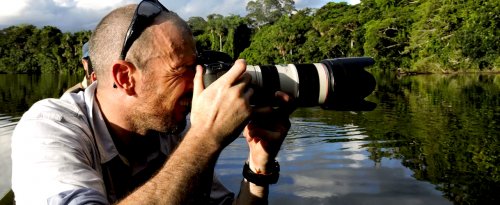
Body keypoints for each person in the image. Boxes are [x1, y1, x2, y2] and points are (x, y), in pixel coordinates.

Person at [11, 0, 294, 204]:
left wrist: (258, 167)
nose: (196, 82)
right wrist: (204, 139)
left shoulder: (171, 131)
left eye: (199, 67)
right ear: (125, 77)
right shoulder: (50, 129)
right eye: (183, 69)